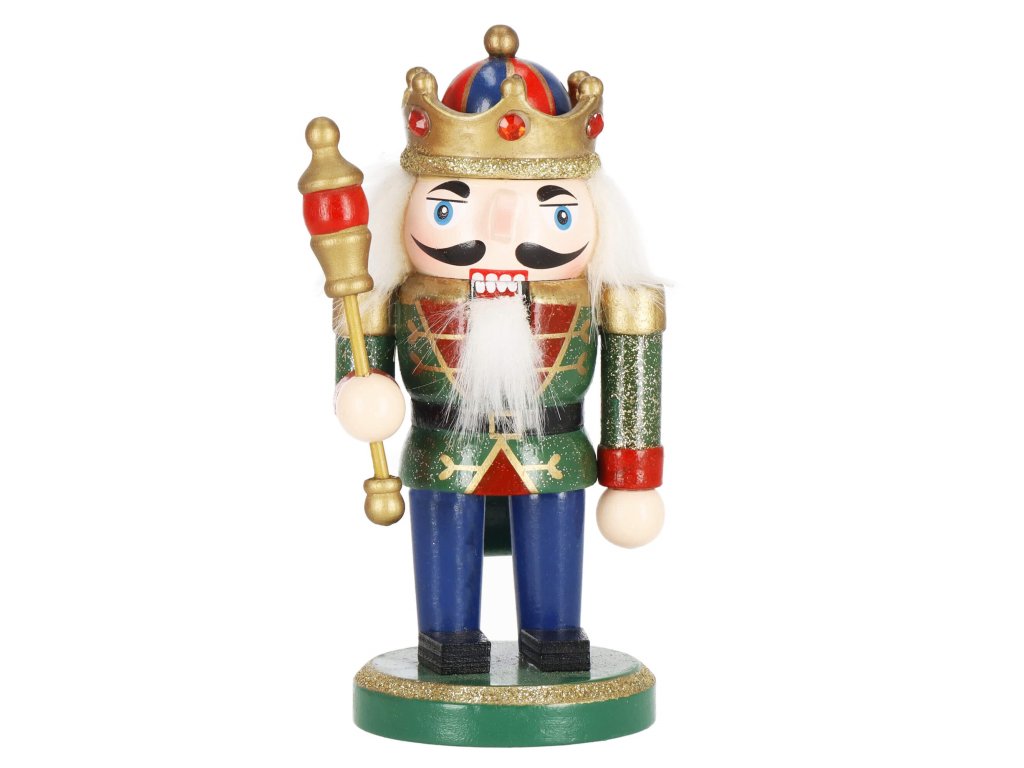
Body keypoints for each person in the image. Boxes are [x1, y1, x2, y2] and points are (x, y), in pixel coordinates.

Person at [333, 25, 666, 675]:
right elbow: (358, 371)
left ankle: (555, 635)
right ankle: (447, 639)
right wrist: (363, 391)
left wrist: (633, 475)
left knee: (553, 541)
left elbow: (634, 377)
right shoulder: (383, 295)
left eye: (555, 211)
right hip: (443, 449)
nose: (503, 228)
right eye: (451, 209)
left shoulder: (613, 298)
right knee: (444, 537)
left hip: (553, 452)